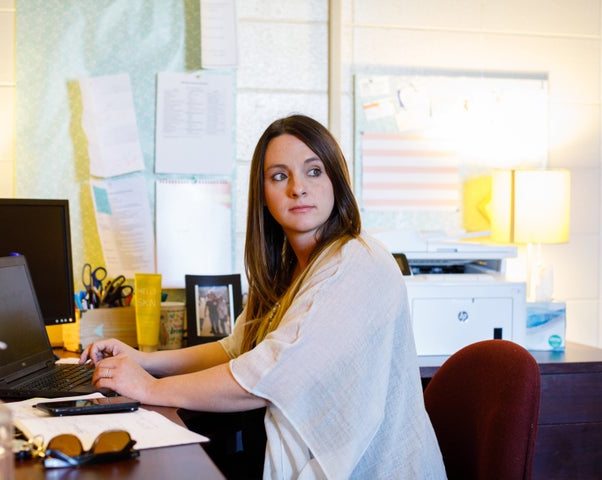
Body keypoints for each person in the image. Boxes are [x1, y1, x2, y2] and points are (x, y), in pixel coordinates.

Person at [80, 114, 446, 479]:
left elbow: (266, 375)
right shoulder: (288, 267)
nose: (298, 188)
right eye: (280, 176)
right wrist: (146, 360)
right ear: (264, 193)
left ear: (337, 179)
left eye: (314, 171)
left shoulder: (357, 262)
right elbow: (238, 347)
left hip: (368, 469)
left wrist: (151, 388)